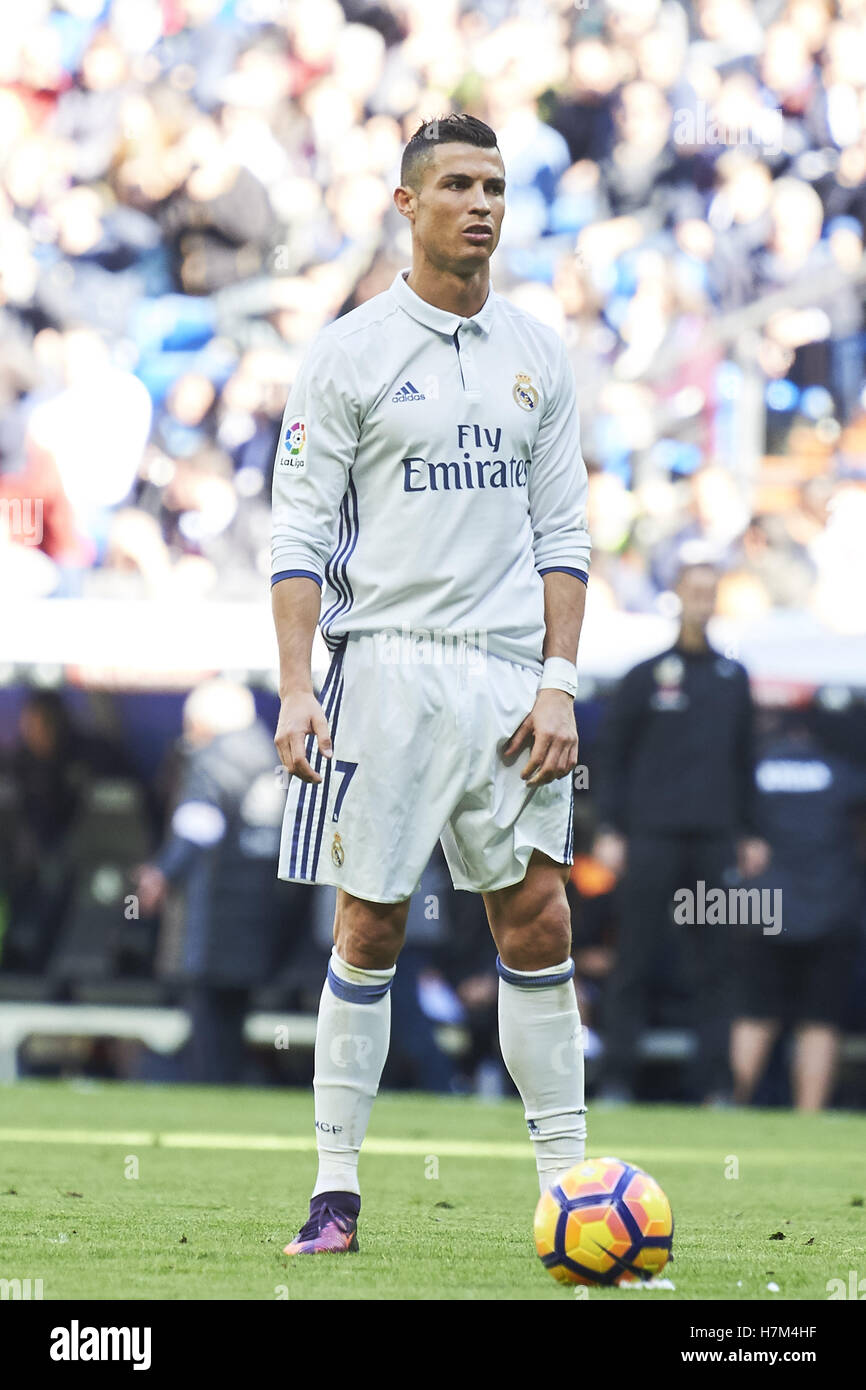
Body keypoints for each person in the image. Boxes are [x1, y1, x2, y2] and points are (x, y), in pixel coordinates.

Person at [270, 114, 591, 1255]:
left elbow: (565, 532)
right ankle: (334, 1191)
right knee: (369, 923)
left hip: (506, 675)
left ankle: (567, 1185)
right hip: (385, 671)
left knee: (538, 912)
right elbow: (297, 534)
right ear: (405, 203)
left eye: (495, 185)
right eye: (456, 183)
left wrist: (557, 680)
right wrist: (296, 685)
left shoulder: (536, 353)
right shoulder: (347, 351)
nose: (481, 204)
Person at [593, 560, 770, 1103]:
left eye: (709, 593)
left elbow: (746, 759)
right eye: (693, 591)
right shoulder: (645, 675)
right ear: (676, 596)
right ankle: (618, 1077)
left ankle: (712, 1084)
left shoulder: (732, 677)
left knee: (716, 961)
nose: (701, 601)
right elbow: (612, 757)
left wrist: (752, 832)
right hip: (651, 838)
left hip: (714, 838)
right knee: (635, 957)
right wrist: (610, 828)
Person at [133, 678, 287, 1084]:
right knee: (235, 1018)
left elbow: (198, 828)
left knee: (206, 1022)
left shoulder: (211, 761)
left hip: (214, 914)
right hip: (261, 911)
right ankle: (230, 1087)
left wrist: (160, 872)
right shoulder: (269, 754)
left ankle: (208, 1085)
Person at [730, 711, 866, 1111]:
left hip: (762, 911)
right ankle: (808, 1119)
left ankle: (727, 1110)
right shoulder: (845, 772)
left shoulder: (752, 769)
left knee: (754, 1016)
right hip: (830, 910)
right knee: (819, 1022)